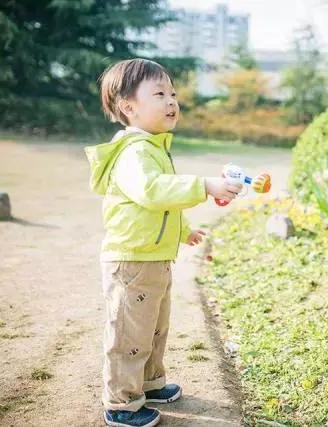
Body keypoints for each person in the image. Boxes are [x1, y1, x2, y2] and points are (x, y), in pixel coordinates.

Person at [84, 58, 242, 427]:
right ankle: (121, 402)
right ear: (128, 107)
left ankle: (149, 383)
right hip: (132, 260)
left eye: (173, 93)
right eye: (159, 94)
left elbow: (163, 205)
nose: (172, 101)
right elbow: (153, 192)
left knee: (154, 326)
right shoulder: (134, 151)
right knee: (129, 332)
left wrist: (184, 230)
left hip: (153, 258)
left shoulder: (153, 147)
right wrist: (204, 185)